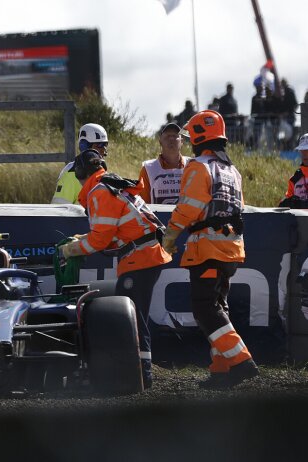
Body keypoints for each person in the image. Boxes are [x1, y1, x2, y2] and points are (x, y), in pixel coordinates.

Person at [57, 149, 172, 389]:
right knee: (136, 316)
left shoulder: (99, 191)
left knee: (133, 319)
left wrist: (70, 250)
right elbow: (107, 234)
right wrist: (82, 239)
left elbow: (100, 241)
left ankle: (142, 375)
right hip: (146, 254)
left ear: (80, 173)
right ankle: (143, 373)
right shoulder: (110, 185)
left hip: (140, 258)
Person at [162, 110, 259, 389]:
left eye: (190, 136)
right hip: (231, 249)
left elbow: (188, 209)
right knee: (218, 307)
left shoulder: (198, 166)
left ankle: (241, 362)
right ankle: (222, 370)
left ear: (198, 138)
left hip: (207, 249)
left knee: (205, 309)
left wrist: (169, 239)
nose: (189, 140)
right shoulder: (232, 170)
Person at [51, 123, 108, 204]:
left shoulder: (101, 171)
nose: (103, 150)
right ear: (84, 146)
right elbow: (59, 211)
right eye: (99, 145)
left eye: (105, 145)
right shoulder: (70, 173)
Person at [138, 122, 188, 204]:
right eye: (167, 136)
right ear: (160, 141)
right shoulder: (148, 169)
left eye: (175, 136)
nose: (171, 139)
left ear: (182, 141)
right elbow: (143, 205)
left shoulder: (192, 165)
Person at [279, 133, 308, 208]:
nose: (305, 154)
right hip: (299, 219)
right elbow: (283, 206)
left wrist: (302, 204)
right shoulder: (294, 179)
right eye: (302, 150)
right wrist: (286, 203)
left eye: (307, 150)